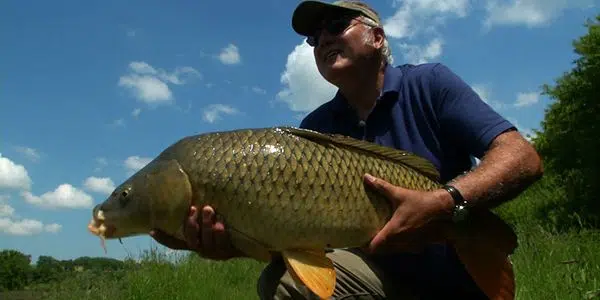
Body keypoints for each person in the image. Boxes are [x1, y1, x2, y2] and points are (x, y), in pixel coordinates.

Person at [150, 0, 544, 299]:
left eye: (337, 25)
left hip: (449, 275)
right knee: (279, 281)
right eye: (313, 37)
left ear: (377, 37)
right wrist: (230, 245)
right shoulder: (313, 130)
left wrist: (444, 202)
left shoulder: (430, 84)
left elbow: (521, 156)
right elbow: (299, 246)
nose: (323, 39)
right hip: (376, 277)